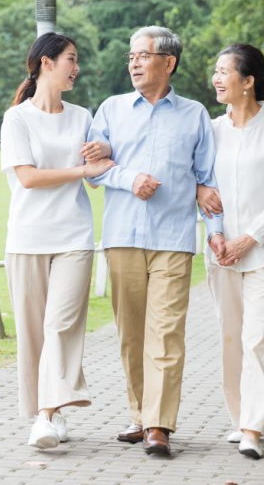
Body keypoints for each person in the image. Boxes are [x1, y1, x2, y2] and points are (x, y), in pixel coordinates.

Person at [86, 26, 219, 456]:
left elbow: (208, 180)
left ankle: (159, 425)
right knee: (131, 335)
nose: (134, 63)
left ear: (168, 62)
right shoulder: (110, 109)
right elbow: (93, 165)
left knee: (165, 333)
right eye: (131, 57)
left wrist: (215, 232)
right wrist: (129, 178)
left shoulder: (195, 114)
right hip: (122, 235)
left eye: (142, 56)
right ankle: (141, 416)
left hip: (174, 238)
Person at [0, 32, 114, 450]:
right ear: (46, 63)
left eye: (76, 59)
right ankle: (51, 412)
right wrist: (81, 171)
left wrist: (103, 153)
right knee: (34, 333)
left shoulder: (83, 116)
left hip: (74, 236)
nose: (76, 67)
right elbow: (27, 178)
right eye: (71, 58)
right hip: (27, 238)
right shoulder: (18, 119)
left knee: (60, 326)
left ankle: (46, 417)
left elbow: (98, 176)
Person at [198, 44, 264, 460]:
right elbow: (203, 187)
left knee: (257, 339)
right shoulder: (212, 130)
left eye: (224, 72)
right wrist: (217, 234)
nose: (217, 79)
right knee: (230, 338)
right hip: (221, 254)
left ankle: (253, 427)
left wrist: (248, 238)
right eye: (216, 72)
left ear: (249, 81)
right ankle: (239, 418)